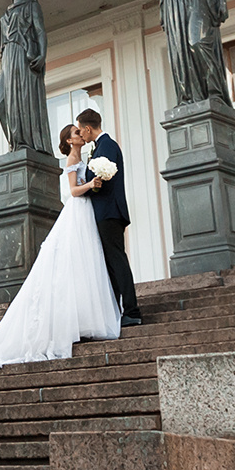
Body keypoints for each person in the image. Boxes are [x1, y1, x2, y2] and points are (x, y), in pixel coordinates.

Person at [0, 122, 123, 374]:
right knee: (73, 261)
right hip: (77, 210)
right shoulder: (72, 158)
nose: (80, 134)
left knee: (86, 263)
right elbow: (73, 191)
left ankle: (84, 319)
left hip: (86, 212)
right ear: (69, 140)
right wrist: (91, 185)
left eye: (80, 131)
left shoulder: (83, 157)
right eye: (76, 133)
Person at [75, 109, 145, 326]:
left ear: (88, 128)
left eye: (81, 130)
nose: (81, 135)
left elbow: (102, 179)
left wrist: (88, 183)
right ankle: (118, 311)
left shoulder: (107, 145)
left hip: (109, 212)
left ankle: (132, 311)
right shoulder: (101, 146)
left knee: (117, 260)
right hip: (106, 211)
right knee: (111, 263)